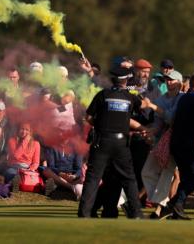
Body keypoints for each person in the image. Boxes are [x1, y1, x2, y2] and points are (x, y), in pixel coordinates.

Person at [78, 67, 151, 219]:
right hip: (120, 144)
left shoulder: (102, 95)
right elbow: (143, 105)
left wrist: (102, 122)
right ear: (125, 80)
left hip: (101, 142)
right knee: (129, 179)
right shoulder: (129, 97)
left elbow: (89, 117)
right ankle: (137, 213)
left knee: (92, 179)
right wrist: (147, 102)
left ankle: (84, 213)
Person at [141, 70, 184, 218]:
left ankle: (159, 209)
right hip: (161, 143)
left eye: (172, 79)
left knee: (166, 175)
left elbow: (171, 118)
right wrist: (151, 132)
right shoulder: (160, 100)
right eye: (167, 79)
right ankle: (163, 204)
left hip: (176, 142)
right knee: (146, 172)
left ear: (180, 83)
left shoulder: (182, 98)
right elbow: (159, 124)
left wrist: (152, 106)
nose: (169, 81)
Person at [167, 73, 194, 219]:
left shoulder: (184, 98)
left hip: (177, 143)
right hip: (186, 144)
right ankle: (176, 202)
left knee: (186, 177)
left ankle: (177, 209)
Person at [127, 58, 161, 194]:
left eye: (148, 72)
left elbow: (158, 112)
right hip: (127, 133)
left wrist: (151, 131)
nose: (146, 75)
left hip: (145, 136)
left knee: (141, 168)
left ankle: (136, 201)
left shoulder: (154, 89)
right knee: (127, 168)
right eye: (143, 72)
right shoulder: (128, 86)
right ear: (136, 71)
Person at [41, 135, 84, 200]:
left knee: (84, 177)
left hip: (71, 177)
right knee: (46, 170)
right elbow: (51, 166)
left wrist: (74, 176)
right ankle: (71, 187)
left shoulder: (77, 149)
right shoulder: (52, 147)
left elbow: (79, 168)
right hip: (57, 175)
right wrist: (60, 173)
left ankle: (60, 187)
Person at [4, 121, 41, 189]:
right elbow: (16, 156)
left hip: (27, 169)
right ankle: (17, 184)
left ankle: (17, 183)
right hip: (14, 167)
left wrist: (31, 170)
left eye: (27, 130)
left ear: (30, 132)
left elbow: (36, 162)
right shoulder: (12, 141)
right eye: (22, 129)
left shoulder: (36, 144)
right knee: (10, 173)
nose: (24, 132)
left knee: (29, 177)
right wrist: (25, 141)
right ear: (18, 130)